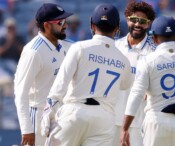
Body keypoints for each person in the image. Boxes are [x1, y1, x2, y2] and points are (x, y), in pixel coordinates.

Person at [41, 3, 132, 146]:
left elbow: (61, 83)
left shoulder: (79, 48)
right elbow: (126, 84)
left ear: (92, 25)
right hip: (104, 119)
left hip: (74, 113)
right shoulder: (124, 60)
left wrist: (49, 111)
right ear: (117, 28)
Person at [120, 15, 175, 146]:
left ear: (154, 38)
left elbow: (137, 94)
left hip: (157, 123)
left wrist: (124, 128)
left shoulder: (147, 60)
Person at [14, 3, 73, 146]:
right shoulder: (33, 51)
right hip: (39, 117)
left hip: (61, 116)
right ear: (47, 25)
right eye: (60, 22)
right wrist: (27, 129)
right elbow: (20, 92)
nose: (65, 25)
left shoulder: (66, 45)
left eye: (65, 21)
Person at [113, 1, 156, 146]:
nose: (137, 24)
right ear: (127, 19)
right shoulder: (115, 46)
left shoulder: (154, 52)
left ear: (148, 24)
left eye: (142, 21)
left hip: (138, 122)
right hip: (111, 119)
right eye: (133, 20)